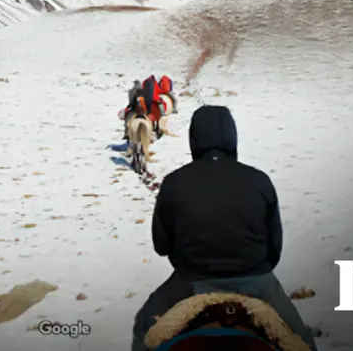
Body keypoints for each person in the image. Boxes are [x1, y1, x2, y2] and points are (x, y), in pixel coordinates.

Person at [131, 105, 317, 351]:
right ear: (232, 137)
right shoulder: (260, 180)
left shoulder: (174, 182)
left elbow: (161, 245)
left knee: (145, 326)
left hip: (190, 283)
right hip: (257, 283)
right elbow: (275, 247)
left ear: (194, 139)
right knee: (300, 341)